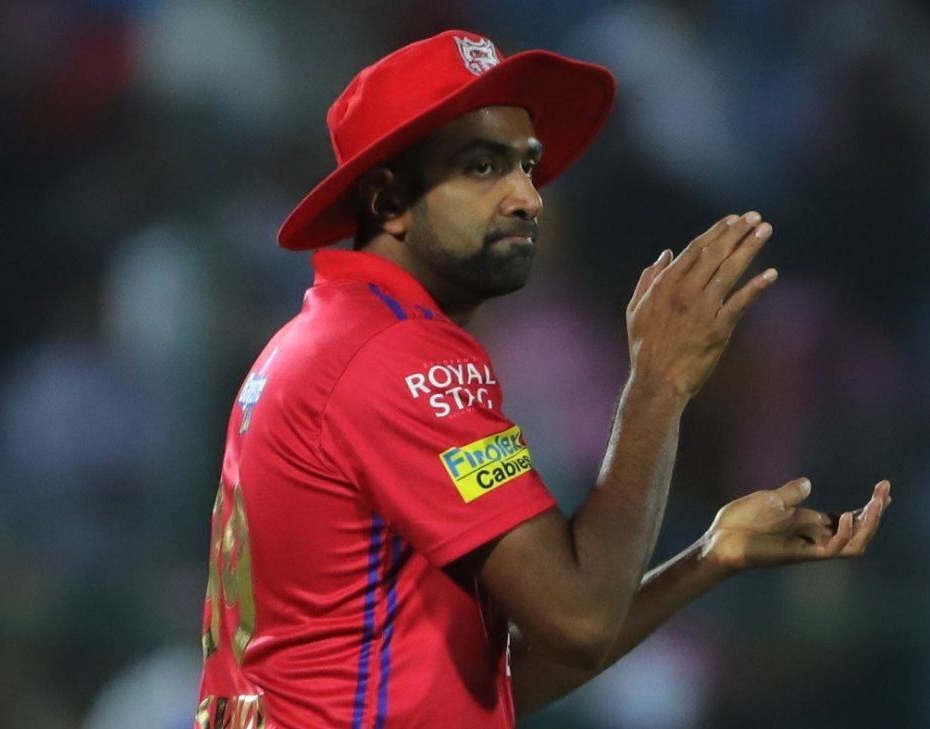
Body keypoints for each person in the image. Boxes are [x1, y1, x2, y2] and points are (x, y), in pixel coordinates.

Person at [194, 29, 892, 729]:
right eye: (482, 167)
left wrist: (706, 558)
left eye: (527, 166)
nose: (528, 197)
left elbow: (493, 685)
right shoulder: (396, 357)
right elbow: (580, 619)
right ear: (387, 201)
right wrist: (659, 382)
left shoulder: (326, 341)